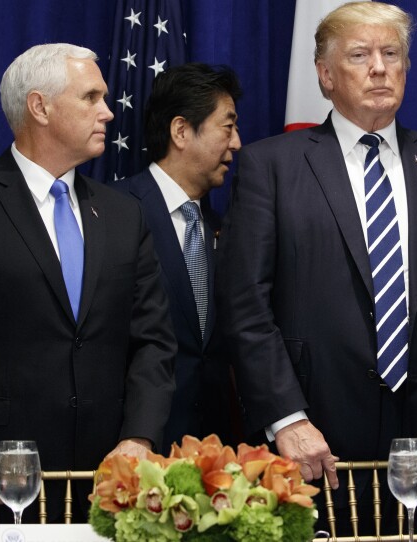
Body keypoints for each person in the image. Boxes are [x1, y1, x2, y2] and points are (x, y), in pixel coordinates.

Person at [216, 0, 417, 528]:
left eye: (391, 54)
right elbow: (245, 306)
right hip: (313, 445)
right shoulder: (271, 167)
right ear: (325, 75)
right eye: (359, 55)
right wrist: (287, 418)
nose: (379, 68)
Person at [0, 43, 176, 539]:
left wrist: (139, 437)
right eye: (91, 97)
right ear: (40, 107)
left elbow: (154, 342)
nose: (108, 111)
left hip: (105, 488)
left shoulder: (123, 214)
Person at [114, 63, 242, 452]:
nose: (237, 143)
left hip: (213, 454)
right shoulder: (115, 212)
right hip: (134, 448)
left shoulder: (224, 227)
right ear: (181, 131)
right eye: (228, 127)